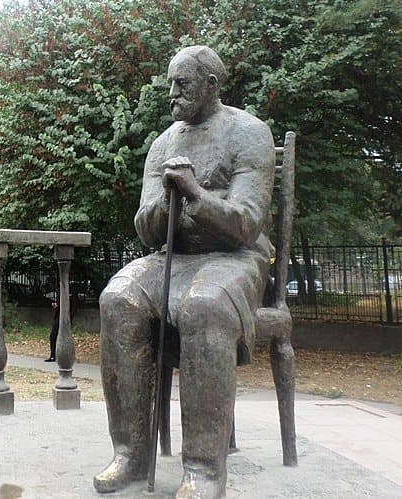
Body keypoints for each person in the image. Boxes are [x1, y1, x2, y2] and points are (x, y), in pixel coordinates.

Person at [93, 46, 275, 498]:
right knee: (118, 300)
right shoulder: (163, 143)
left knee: (204, 306)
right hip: (171, 259)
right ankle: (130, 456)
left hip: (233, 259)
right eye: (170, 83)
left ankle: (203, 469)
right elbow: (145, 231)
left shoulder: (249, 133)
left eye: (183, 84)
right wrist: (165, 206)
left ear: (212, 85)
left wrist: (196, 195)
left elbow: (247, 224)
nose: (171, 93)